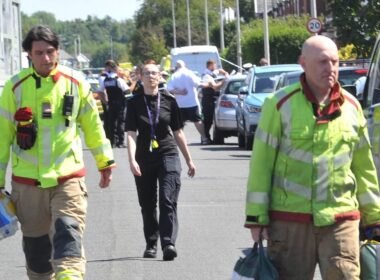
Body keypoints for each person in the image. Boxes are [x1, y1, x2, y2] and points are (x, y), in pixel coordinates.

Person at [245, 35, 380, 279]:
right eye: (322, 62)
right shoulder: (279, 105)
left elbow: (364, 167)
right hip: (290, 224)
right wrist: (256, 218)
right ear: (303, 63)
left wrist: (374, 218)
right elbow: (261, 165)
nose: (330, 68)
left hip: (341, 220)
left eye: (335, 62)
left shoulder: (352, 107)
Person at [0, 25, 115, 280]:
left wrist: (104, 161)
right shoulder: (14, 87)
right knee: (38, 258)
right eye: (39, 53)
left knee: (68, 235)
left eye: (51, 52)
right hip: (28, 185)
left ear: (58, 51)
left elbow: (93, 126)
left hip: (68, 179)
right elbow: (2, 137)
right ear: (28, 54)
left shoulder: (76, 83)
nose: (47, 59)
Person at [126, 61, 195, 261]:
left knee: (167, 199)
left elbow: (178, 132)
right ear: (140, 77)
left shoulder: (169, 100)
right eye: (146, 73)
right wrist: (132, 159)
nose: (150, 76)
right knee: (147, 204)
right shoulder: (133, 102)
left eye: (154, 73)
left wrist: (189, 160)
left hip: (168, 153)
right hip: (144, 157)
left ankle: (168, 243)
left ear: (160, 77)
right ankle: (151, 243)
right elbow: (131, 133)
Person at [167, 60, 211, 144]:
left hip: (180, 104)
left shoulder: (174, 75)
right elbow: (198, 84)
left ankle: (178, 140)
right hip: (192, 102)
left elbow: (169, 88)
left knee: (179, 123)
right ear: (185, 65)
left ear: (176, 67)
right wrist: (208, 84)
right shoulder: (189, 73)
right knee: (197, 121)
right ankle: (204, 138)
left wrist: (179, 92)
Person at [98, 60, 130, 148]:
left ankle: (112, 142)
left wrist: (105, 102)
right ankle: (121, 141)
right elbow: (127, 91)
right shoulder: (118, 80)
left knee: (111, 122)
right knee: (121, 122)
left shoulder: (105, 80)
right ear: (114, 68)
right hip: (120, 104)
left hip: (111, 104)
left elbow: (100, 91)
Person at [201, 59, 228, 143]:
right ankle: (205, 138)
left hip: (211, 99)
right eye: (214, 65)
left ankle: (206, 137)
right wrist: (224, 80)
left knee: (210, 120)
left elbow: (219, 71)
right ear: (211, 66)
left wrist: (224, 73)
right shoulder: (207, 76)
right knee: (208, 120)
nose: (216, 67)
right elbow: (215, 87)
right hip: (208, 100)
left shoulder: (211, 73)